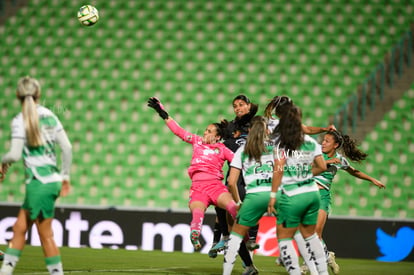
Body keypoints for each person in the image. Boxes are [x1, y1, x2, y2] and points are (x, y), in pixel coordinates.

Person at [0, 76, 72, 275]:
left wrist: (3, 162)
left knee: (44, 234)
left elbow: (14, 154)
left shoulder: (19, 119)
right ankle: (5, 270)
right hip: (51, 181)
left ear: (17, 95)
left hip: (38, 182)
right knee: (19, 228)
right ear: (38, 94)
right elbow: (67, 148)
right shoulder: (51, 116)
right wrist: (65, 177)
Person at [147, 97, 238, 251]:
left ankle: (243, 237)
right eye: (205, 130)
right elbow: (178, 131)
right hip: (198, 188)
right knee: (197, 213)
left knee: (232, 207)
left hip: (215, 187)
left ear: (217, 137)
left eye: (209, 131)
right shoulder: (197, 141)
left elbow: (239, 162)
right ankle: (195, 234)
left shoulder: (222, 149)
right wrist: (163, 113)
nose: (204, 132)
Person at [297, 130, 386, 275]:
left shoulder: (340, 160)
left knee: (316, 234)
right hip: (307, 194)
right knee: (307, 232)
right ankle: (327, 256)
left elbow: (354, 171)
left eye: (327, 141)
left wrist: (372, 179)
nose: (323, 143)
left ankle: (308, 264)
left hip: (322, 196)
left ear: (336, 145)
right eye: (323, 140)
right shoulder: (315, 152)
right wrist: (327, 162)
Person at [267, 102, 329, 275]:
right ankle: (322, 273)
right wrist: (305, 173)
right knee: (311, 236)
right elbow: (322, 166)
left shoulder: (283, 143)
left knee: (284, 237)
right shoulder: (311, 141)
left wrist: (273, 195)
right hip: (312, 193)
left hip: (293, 195)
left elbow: (278, 170)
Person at [209, 95, 258, 271]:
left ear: (249, 106)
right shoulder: (231, 126)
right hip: (234, 176)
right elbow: (224, 146)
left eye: (241, 105)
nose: (238, 108)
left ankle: (240, 247)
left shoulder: (257, 124)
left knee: (237, 222)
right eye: (235, 106)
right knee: (221, 206)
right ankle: (229, 242)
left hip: (250, 178)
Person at [222, 116, 273, 275]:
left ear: (249, 130)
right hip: (275, 196)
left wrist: (238, 202)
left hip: (254, 197)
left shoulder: (243, 150)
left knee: (235, 237)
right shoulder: (275, 148)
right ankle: (316, 269)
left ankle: (229, 272)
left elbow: (231, 182)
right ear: (266, 130)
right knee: (298, 234)